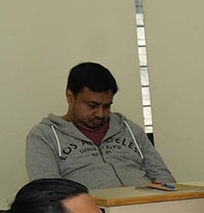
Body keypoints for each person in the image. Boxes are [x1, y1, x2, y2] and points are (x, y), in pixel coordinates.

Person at [26, 62, 175, 190]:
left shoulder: (130, 129)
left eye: (107, 106)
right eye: (92, 105)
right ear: (70, 97)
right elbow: (48, 193)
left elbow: (164, 178)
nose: (100, 114)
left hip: (145, 208)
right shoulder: (44, 136)